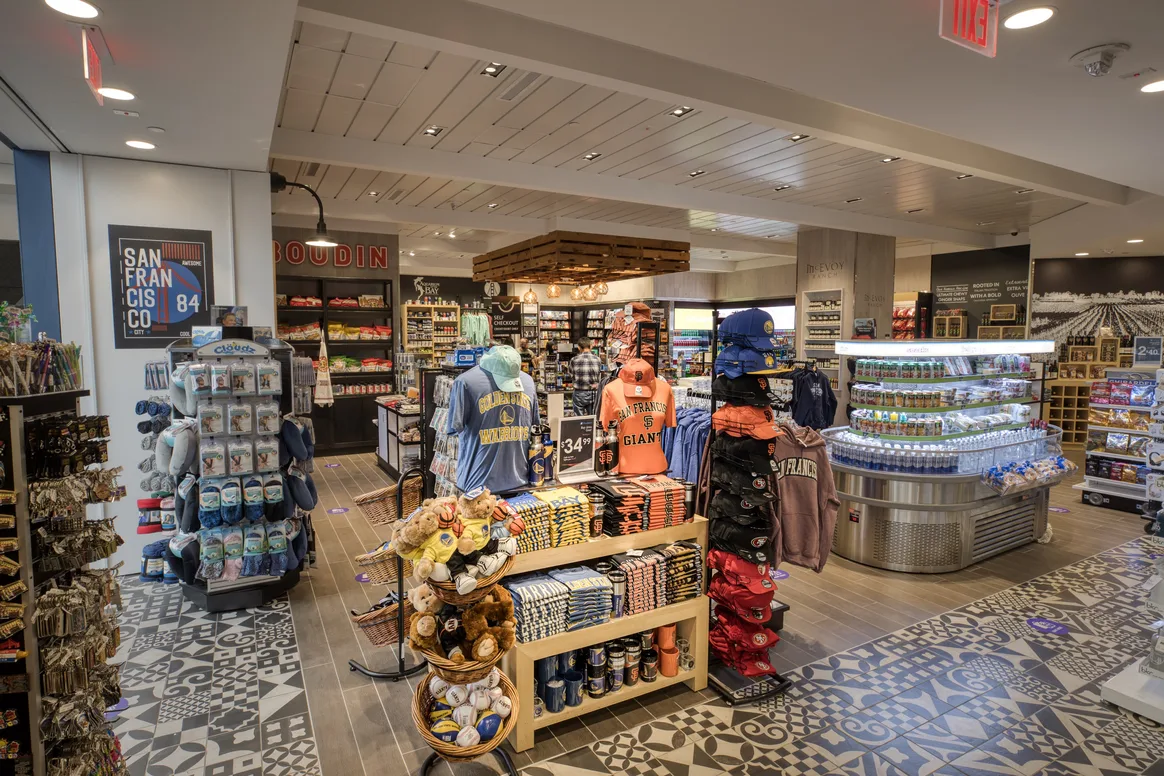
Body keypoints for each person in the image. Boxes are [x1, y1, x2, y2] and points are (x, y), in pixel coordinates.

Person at [569, 337, 602, 416]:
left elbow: (572, 375)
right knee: (593, 418)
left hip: (579, 392)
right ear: (591, 346)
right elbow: (599, 374)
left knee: (578, 419)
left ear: (579, 347)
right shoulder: (598, 359)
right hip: (593, 393)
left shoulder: (574, 360)